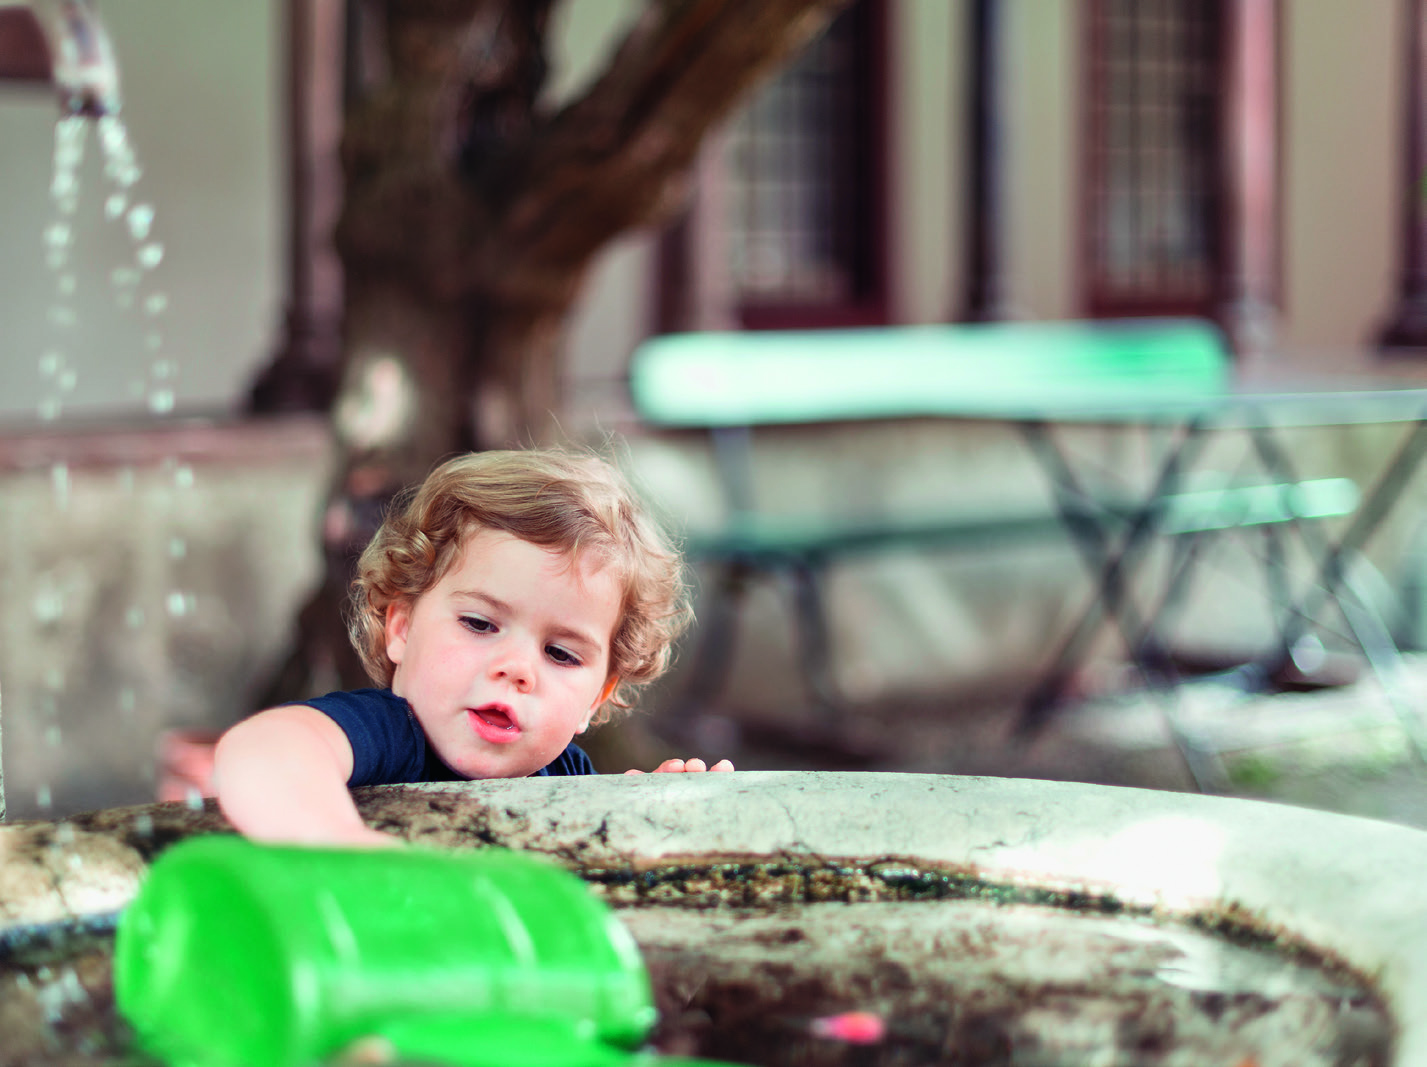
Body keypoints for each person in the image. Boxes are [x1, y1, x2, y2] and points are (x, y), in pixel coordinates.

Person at [208, 447, 733, 846]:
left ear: (596, 697)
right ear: (402, 628)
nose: (517, 669)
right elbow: (262, 751)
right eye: (481, 624)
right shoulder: (391, 736)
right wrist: (342, 845)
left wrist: (644, 819)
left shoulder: (567, 778)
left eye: (561, 654)